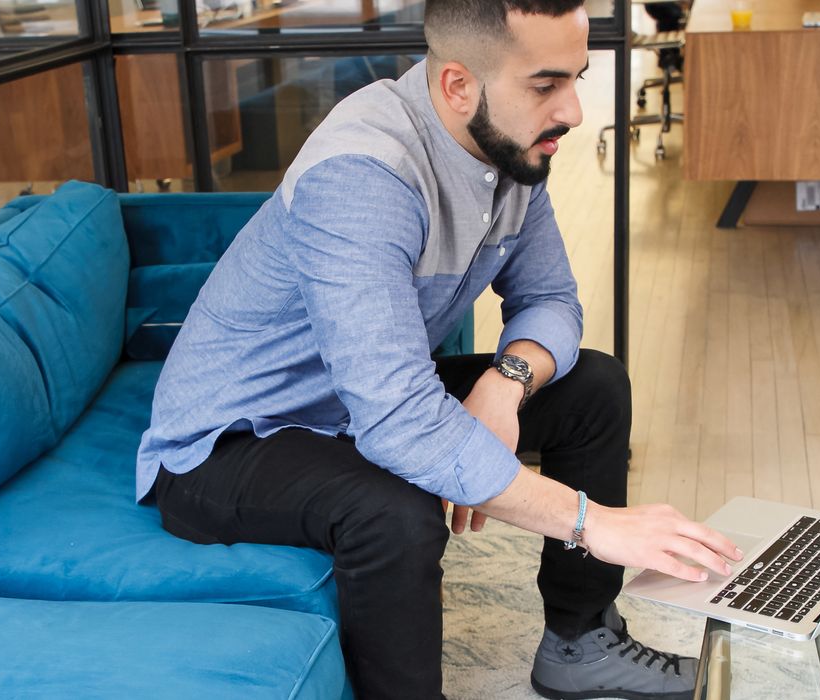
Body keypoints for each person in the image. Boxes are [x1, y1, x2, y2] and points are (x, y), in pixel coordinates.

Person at [136, 1, 741, 697]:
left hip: (351, 409)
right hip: (229, 444)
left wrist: (504, 382)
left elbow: (551, 302)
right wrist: (591, 523)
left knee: (593, 388)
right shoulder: (362, 177)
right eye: (545, 86)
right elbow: (396, 420)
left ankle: (580, 643)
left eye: (575, 78)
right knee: (391, 506)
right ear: (458, 84)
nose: (572, 111)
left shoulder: (508, 147)